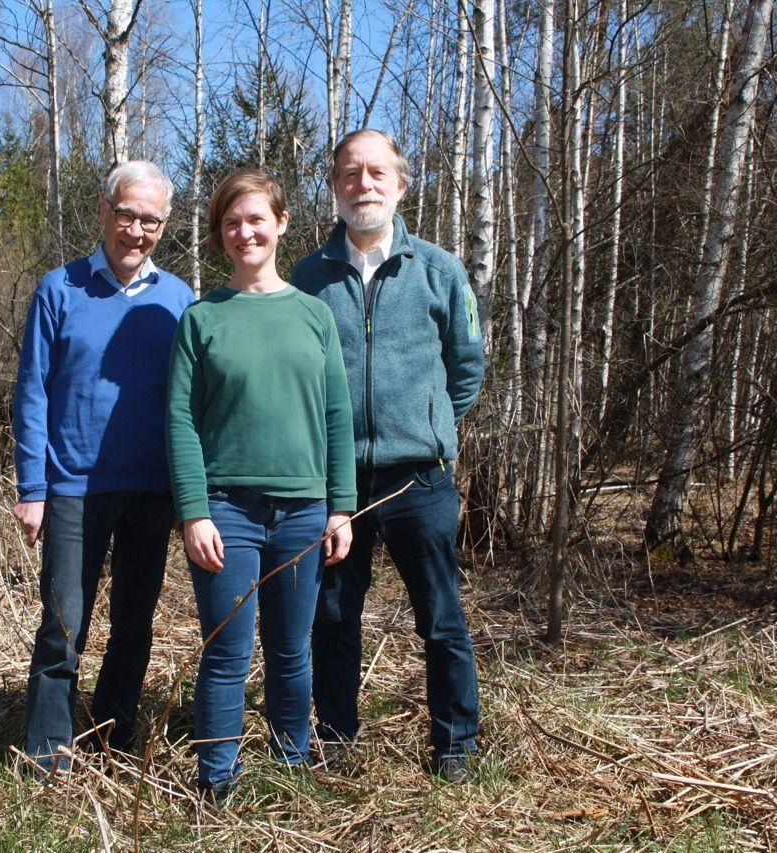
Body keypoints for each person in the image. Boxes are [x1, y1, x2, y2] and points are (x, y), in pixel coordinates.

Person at [292, 129, 486, 782]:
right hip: (335, 484)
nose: (364, 184)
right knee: (334, 616)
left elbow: (467, 367)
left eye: (377, 172)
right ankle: (335, 741)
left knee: (441, 617)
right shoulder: (307, 278)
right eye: (350, 173)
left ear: (401, 184)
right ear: (335, 187)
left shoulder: (438, 270)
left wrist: (427, 428)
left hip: (418, 480)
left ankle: (456, 746)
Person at [166, 169, 356, 802]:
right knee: (225, 654)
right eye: (230, 223)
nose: (244, 232)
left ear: (280, 224)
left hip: (304, 513)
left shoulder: (314, 315)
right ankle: (217, 781)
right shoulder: (202, 319)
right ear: (220, 235)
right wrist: (194, 512)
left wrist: (342, 507)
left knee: (291, 651)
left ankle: (291, 771)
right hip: (226, 512)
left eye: (255, 219)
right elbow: (181, 423)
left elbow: (336, 415)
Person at [12, 160, 194, 775]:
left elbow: (191, 399)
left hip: (150, 489)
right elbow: (32, 392)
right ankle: (47, 756)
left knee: (134, 626)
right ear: (104, 213)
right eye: (126, 214)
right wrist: (32, 487)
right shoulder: (59, 289)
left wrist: (188, 495)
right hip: (72, 487)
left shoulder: (178, 300)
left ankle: (112, 743)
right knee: (64, 624)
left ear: (163, 228)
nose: (135, 230)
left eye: (150, 220)